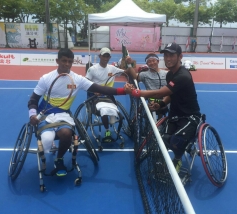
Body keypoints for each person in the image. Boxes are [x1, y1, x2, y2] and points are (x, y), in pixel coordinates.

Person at [28, 48, 129, 176]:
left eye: (70, 61)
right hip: (44, 115)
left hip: (63, 115)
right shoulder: (46, 78)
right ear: (57, 61)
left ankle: (59, 159)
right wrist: (32, 114)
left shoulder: (78, 79)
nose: (67, 64)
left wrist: (124, 91)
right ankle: (49, 144)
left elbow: (101, 89)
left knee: (66, 133)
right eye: (63, 61)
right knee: (47, 141)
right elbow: (33, 100)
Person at [124, 43, 201, 173]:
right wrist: (161, 104)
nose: (168, 58)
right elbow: (171, 95)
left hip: (190, 117)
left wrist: (136, 93)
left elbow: (161, 93)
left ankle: (177, 159)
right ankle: (163, 161)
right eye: (166, 55)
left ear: (180, 56)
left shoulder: (183, 75)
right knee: (162, 140)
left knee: (175, 141)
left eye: (171, 55)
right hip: (174, 116)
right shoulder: (170, 75)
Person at [85, 47, 136, 143]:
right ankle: (107, 131)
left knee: (114, 111)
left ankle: (112, 116)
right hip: (96, 97)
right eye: (104, 55)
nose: (105, 58)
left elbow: (127, 72)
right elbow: (86, 81)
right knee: (103, 110)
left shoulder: (112, 69)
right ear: (100, 56)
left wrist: (129, 63)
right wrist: (94, 91)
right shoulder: (92, 69)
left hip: (109, 96)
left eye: (107, 56)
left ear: (109, 57)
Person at [137, 53, 168, 120]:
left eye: (154, 60)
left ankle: (160, 121)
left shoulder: (166, 74)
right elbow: (135, 77)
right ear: (147, 64)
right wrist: (130, 65)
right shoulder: (144, 74)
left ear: (158, 61)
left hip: (164, 99)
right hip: (151, 100)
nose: (152, 63)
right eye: (149, 61)